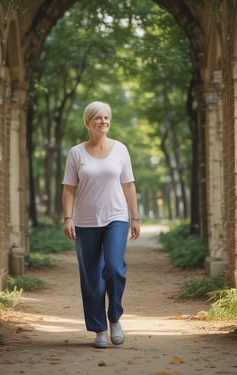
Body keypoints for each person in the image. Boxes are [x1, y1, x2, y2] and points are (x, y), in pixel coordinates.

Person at [62, 101, 140, 349]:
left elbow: (128, 184)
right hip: (85, 222)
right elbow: (69, 189)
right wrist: (68, 217)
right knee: (92, 277)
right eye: (98, 118)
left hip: (116, 218)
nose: (103, 121)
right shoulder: (76, 153)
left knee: (115, 269)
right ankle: (99, 329)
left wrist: (135, 217)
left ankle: (115, 318)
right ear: (88, 122)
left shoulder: (120, 150)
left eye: (107, 117)